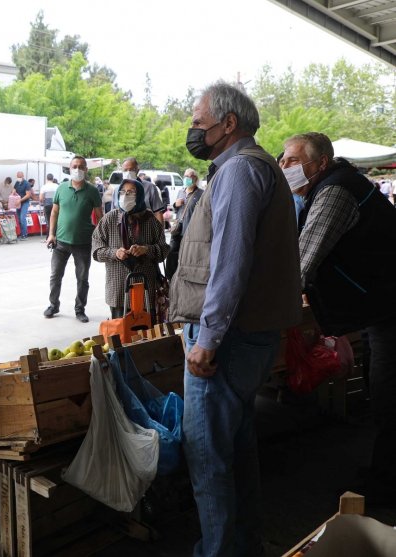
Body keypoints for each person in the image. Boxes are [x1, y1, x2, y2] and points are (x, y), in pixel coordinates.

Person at [169, 82, 301, 557]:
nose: (193, 130)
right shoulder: (250, 166)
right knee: (236, 449)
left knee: (208, 457)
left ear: (229, 124)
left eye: (199, 122)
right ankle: (242, 546)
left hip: (229, 341)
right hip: (246, 338)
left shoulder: (241, 171)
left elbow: (229, 262)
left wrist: (207, 338)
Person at [280, 132, 396, 507]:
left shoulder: (334, 191)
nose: (285, 167)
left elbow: (302, 261)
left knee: (388, 394)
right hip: (382, 306)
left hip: (391, 307)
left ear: (322, 163)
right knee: (381, 388)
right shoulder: (330, 186)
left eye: (293, 161)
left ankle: (384, 485)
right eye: (283, 160)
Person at [92, 179, 169, 318]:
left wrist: (147, 250)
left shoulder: (150, 219)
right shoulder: (109, 219)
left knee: (147, 333)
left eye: (131, 192)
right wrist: (115, 253)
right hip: (118, 288)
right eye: (123, 192)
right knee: (122, 333)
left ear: (139, 195)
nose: (126, 195)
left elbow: (163, 250)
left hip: (145, 288)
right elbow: (96, 251)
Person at [44, 156, 103, 323]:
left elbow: (100, 216)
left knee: (82, 278)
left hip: (83, 243)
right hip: (60, 242)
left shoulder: (92, 191)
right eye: (74, 166)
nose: (77, 169)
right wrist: (51, 234)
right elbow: (54, 212)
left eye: (81, 166)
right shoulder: (61, 188)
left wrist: (99, 238)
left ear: (86, 169)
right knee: (55, 276)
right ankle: (53, 305)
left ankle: (80, 309)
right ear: (70, 169)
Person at [166, 167, 203, 281]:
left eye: (189, 176)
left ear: (195, 178)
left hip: (191, 229)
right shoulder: (181, 191)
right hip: (178, 228)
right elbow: (176, 210)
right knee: (172, 252)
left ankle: (185, 277)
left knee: (188, 254)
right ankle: (169, 278)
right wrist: (176, 205)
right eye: (185, 176)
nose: (187, 178)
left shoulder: (201, 194)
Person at [113, 158, 165, 224]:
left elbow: (158, 212)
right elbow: (114, 213)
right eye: (125, 170)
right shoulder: (117, 190)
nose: (128, 172)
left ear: (137, 170)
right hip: (122, 230)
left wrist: (160, 232)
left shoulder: (150, 188)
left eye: (131, 170)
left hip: (146, 229)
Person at [13, 171, 32, 240]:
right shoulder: (17, 182)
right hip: (18, 203)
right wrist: (13, 192)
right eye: (18, 177)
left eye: (20, 177)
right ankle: (21, 233)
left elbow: (28, 195)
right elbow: (14, 189)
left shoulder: (26, 184)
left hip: (24, 202)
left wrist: (20, 200)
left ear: (23, 176)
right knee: (18, 218)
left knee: (22, 218)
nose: (19, 178)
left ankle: (25, 234)